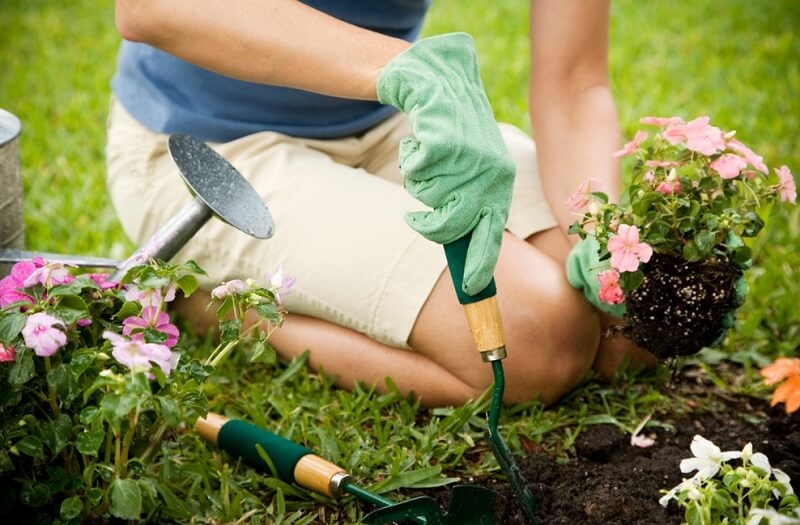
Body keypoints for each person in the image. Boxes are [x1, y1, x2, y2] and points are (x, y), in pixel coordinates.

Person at [107, 0, 656, 408]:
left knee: (629, 332)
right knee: (537, 345)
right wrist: (405, 68)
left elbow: (573, 81)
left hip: (381, 117)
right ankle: (222, 307)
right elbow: (151, 7)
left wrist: (598, 232)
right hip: (211, 154)